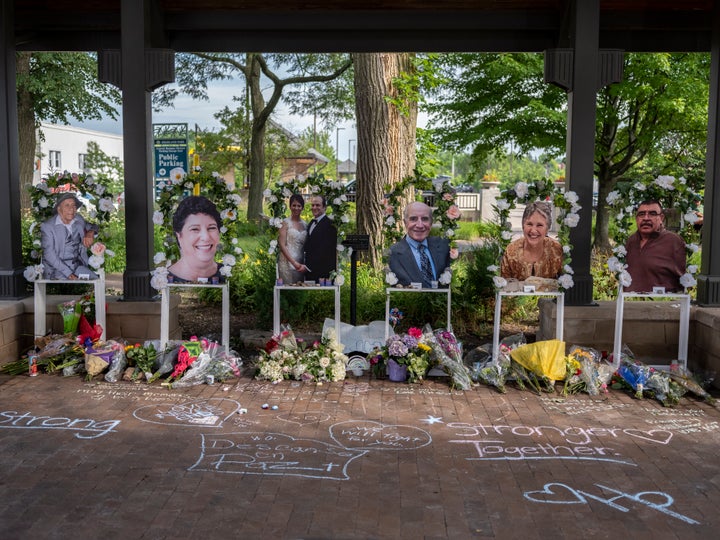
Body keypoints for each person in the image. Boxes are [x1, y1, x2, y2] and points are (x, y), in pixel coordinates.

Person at [624, 199, 686, 293]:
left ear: (661, 218)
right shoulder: (631, 241)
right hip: (629, 302)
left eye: (652, 214)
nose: (646, 218)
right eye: (641, 214)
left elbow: (682, 278)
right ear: (637, 219)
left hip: (661, 303)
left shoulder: (673, 241)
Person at [388, 201, 450, 288]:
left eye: (425, 219)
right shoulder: (392, 253)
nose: (420, 225)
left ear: (431, 222)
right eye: (413, 219)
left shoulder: (445, 246)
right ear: (405, 222)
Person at [40, 192, 99, 280]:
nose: (71, 209)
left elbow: (94, 226)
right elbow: (49, 255)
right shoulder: (48, 226)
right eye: (67, 205)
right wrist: (68, 273)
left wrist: (90, 232)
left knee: (96, 280)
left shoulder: (78, 219)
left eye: (74, 205)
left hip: (76, 266)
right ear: (59, 209)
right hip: (56, 269)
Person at [500, 201, 563, 280]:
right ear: (523, 225)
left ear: (547, 228)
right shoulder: (511, 250)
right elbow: (504, 284)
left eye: (539, 225)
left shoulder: (556, 250)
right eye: (529, 224)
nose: (533, 230)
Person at [167, 196, 224, 283]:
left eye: (211, 228)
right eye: (195, 229)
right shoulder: (163, 280)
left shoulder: (230, 276)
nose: (206, 237)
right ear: (179, 236)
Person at [303, 195, 337, 282]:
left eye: (318, 205)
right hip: (309, 272)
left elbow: (327, 250)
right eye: (313, 205)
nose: (314, 207)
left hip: (322, 273)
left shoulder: (330, 225)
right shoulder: (311, 223)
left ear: (325, 207)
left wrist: (309, 267)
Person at [277, 194, 308, 284]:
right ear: (290, 206)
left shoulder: (305, 225)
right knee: (288, 289)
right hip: (287, 262)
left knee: (300, 288)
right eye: (294, 205)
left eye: (299, 206)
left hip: (301, 263)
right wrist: (293, 262)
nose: (296, 208)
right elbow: (282, 244)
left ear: (302, 208)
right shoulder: (285, 223)